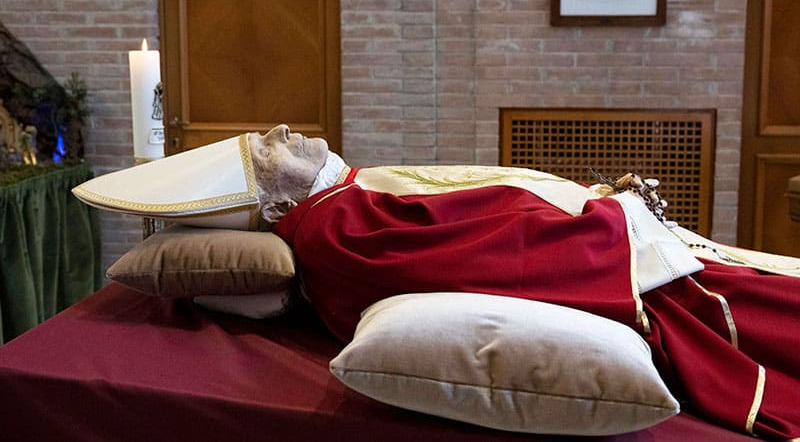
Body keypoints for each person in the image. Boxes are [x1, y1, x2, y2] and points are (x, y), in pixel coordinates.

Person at [74, 124, 800, 439]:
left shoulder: (343, 194)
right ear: (271, 198)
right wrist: (606, 219)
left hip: (617, 228)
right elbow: (486, 251)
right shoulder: (335, 229)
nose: (287, 135)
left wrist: (594, 197)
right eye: (272, 150)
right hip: (627, 265)